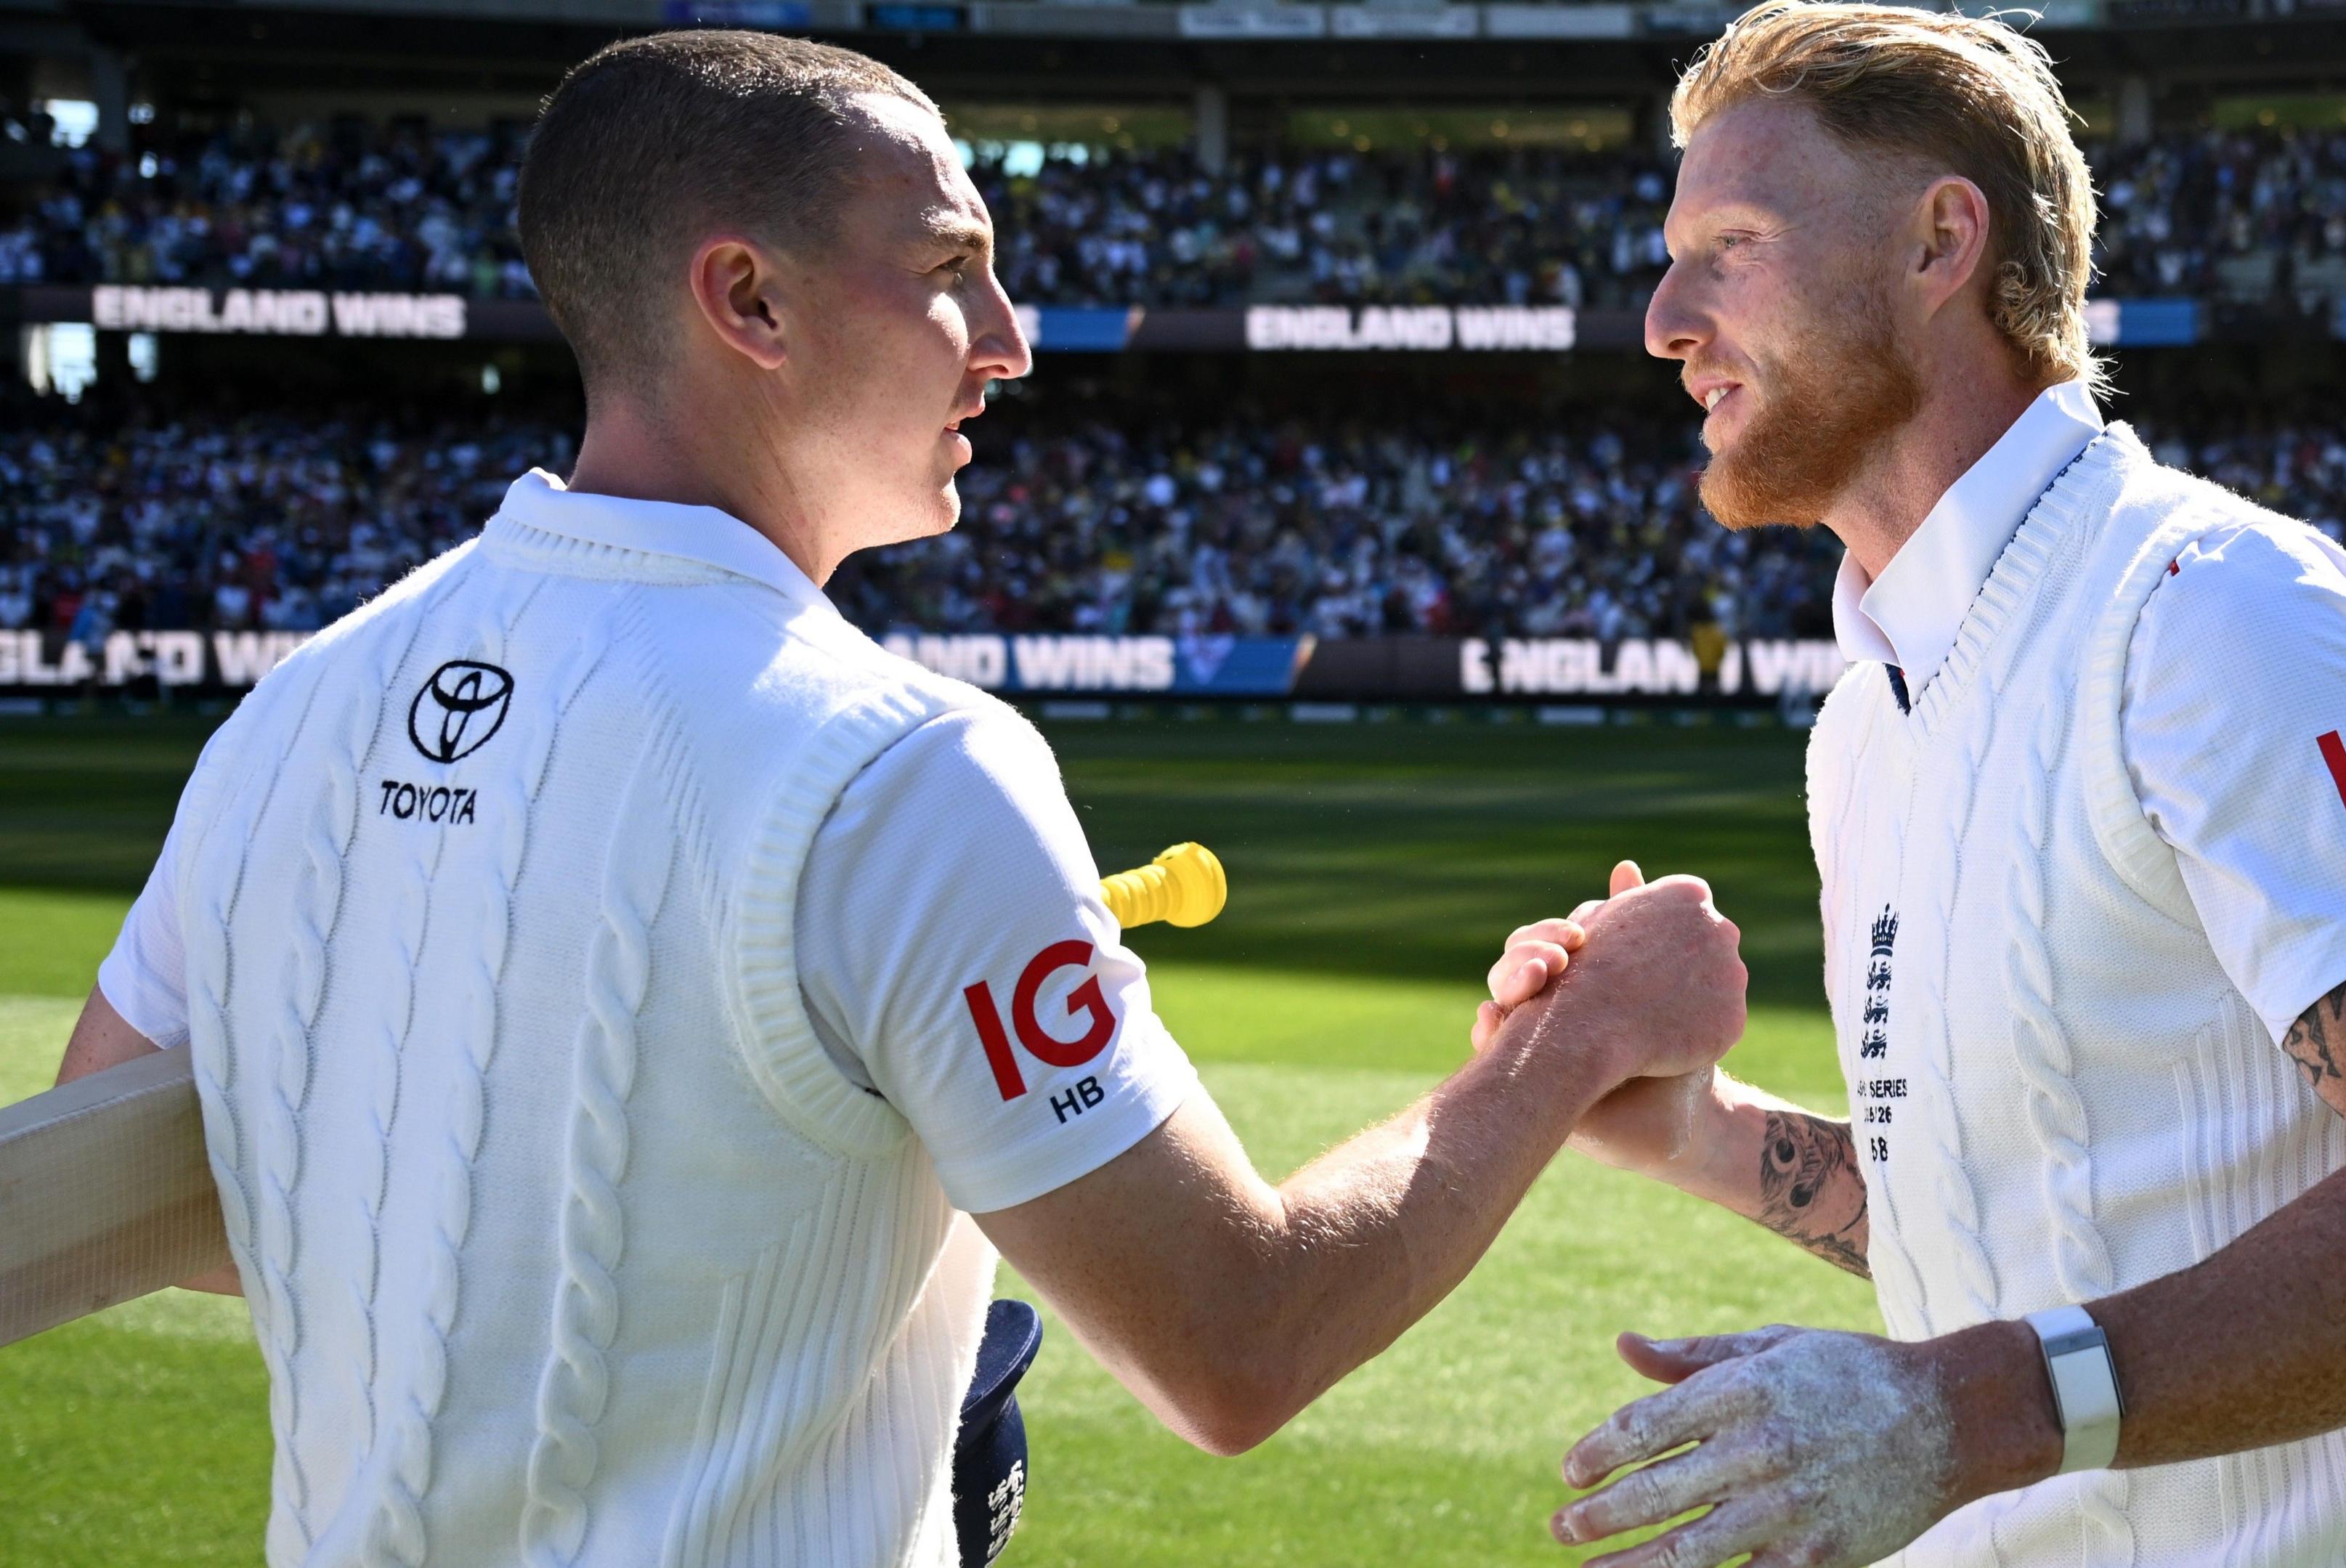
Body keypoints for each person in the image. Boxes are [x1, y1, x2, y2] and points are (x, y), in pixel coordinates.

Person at [50, 32, 1748, 1568]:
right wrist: (1580, 1032)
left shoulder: (298, 707)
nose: (1010, 345)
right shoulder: (897, 769)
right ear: (751, 302)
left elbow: (130, 1184)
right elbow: (1239, 1336)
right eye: (950, 271)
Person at [1475, 6, 2346, 1564]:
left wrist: (1971, 1408)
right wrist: (1702, 1130)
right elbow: (2029, 1226)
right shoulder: (1864, 721)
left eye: (1730, 242)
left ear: (1944, 240)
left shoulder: (2215, 609)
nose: (1666, 315)